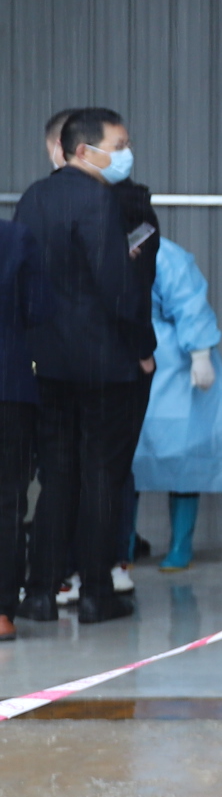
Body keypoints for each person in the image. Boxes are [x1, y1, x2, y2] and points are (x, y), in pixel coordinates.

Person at [18, 109, 153, 625]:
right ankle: (97, 591)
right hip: (103, 364)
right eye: (118, 145)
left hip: (47, 362)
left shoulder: (34, 197)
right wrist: (142, 346)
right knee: (101, 476)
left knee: (56, 477)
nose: (126, 154)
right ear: (82, 150)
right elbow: (119, 289)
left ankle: (39, 591)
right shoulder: (100, 201)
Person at [124, 188, 222, 573]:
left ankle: (179, 545)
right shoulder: (111, 253)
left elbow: (190, 304)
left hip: (175, 367)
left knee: (182, 456)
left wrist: (200, 354)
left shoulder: (166, 256)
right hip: (132, 362)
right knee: (128, 460)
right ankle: (123, 545)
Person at [0, 206, 44, 636]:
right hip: (8, 389)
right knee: (8, 502)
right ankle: (1, 612)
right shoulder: (16, 239)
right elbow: (39, 310)